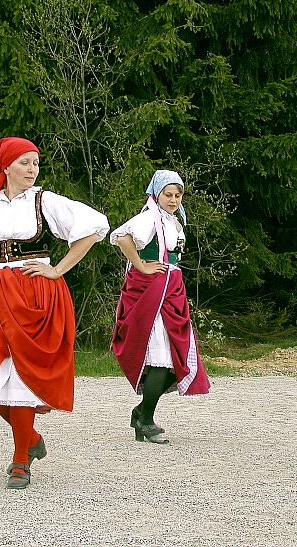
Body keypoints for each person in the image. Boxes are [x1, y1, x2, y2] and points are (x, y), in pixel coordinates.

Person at [0, 136, 109, 489]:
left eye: (35, 162)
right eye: (24, 163)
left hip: (36, 294)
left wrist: (57, 269)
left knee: (23, 375)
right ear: (6, 167)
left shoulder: (46, 202)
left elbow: (94, 228)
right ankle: (30, 438)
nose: (32, 169)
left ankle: (20, 460)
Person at [110, 169, 210, 445]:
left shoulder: (173, 222)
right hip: (153, 292)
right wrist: (142, 265)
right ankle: (145, 420)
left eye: (178, 195)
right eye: (168, 194)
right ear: (156, 193)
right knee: (162, 357)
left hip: (171, 290)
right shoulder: (148, 219)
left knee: (175, 358)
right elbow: (122, 237)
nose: (174, 199)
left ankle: (142, 412)